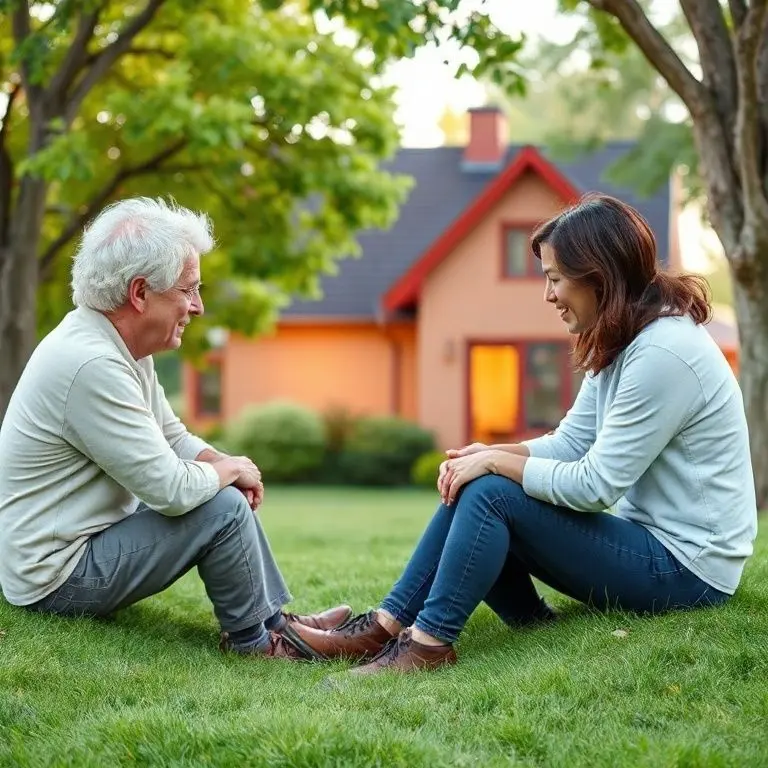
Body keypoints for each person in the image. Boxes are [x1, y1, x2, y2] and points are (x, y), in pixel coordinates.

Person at [289, 193, 758, 674]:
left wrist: (495, 463)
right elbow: (571, 442)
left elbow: (597, 485)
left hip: (689, 569)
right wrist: (486, 454)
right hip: (650, 543)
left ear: (598, 275)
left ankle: (427, 645)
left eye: (555, 278)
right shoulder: (625, 337)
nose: (549, 295)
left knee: (491, 492)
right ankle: (387, 626)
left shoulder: (663, 353)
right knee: (478, 480)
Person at [0, 197, 350, 659]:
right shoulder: (92, 364)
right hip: (54, 577)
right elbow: (170, 490)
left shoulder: (117, 346)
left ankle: (278, 624)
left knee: (220, 495)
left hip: (75, 548)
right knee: (222, 508)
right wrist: (231, 472)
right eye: (189, 289)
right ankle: (258, 644)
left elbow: (172, 437)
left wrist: (219, 461)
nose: (198, 306)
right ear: (140, 293)